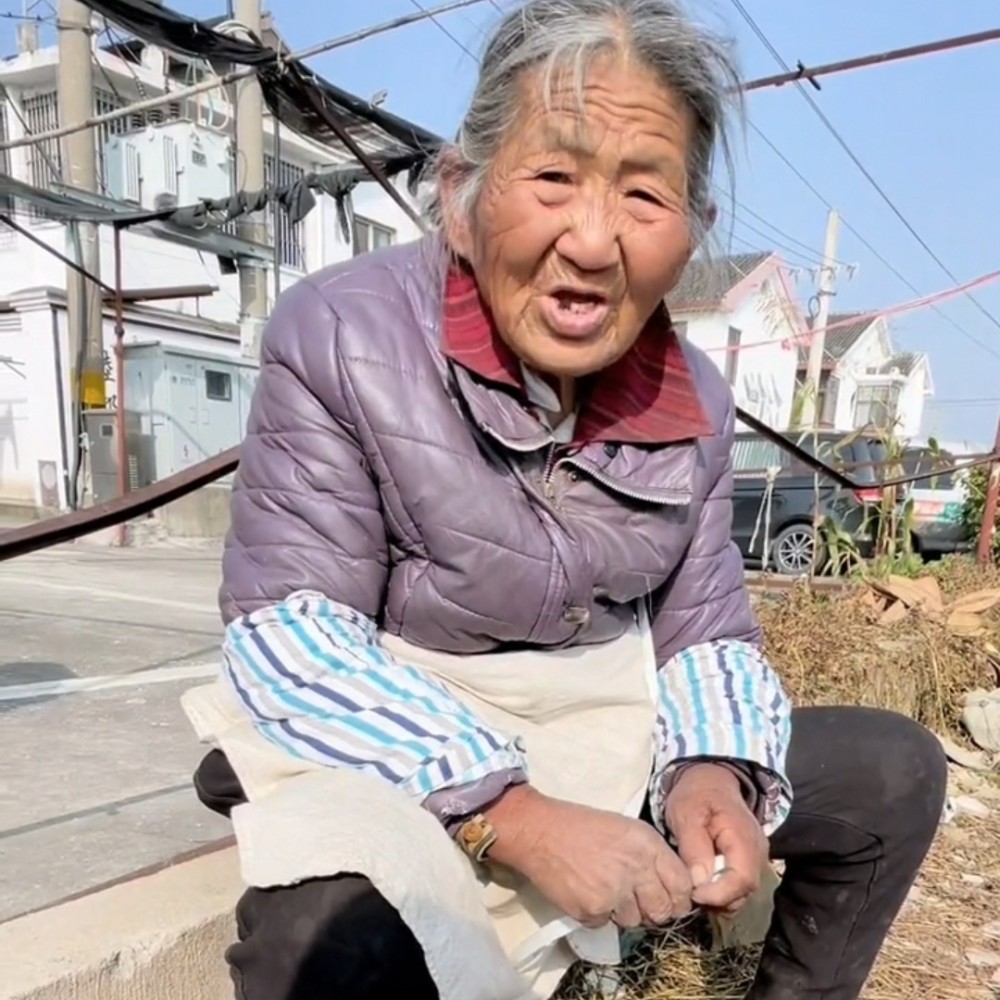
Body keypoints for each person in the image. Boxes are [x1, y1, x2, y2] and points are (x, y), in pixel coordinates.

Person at [191, 1, 947, 997]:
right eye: (553, 177)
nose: (593, 243)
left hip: (598, 725)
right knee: (319, 939)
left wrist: (711, 773)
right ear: (462, 193)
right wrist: (517, 815)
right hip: (403, 737)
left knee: (891, 772)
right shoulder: (341, 335)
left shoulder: (696, 404)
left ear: (692, 232)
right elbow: (295, 635)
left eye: (643, 194)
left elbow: (703, 629)